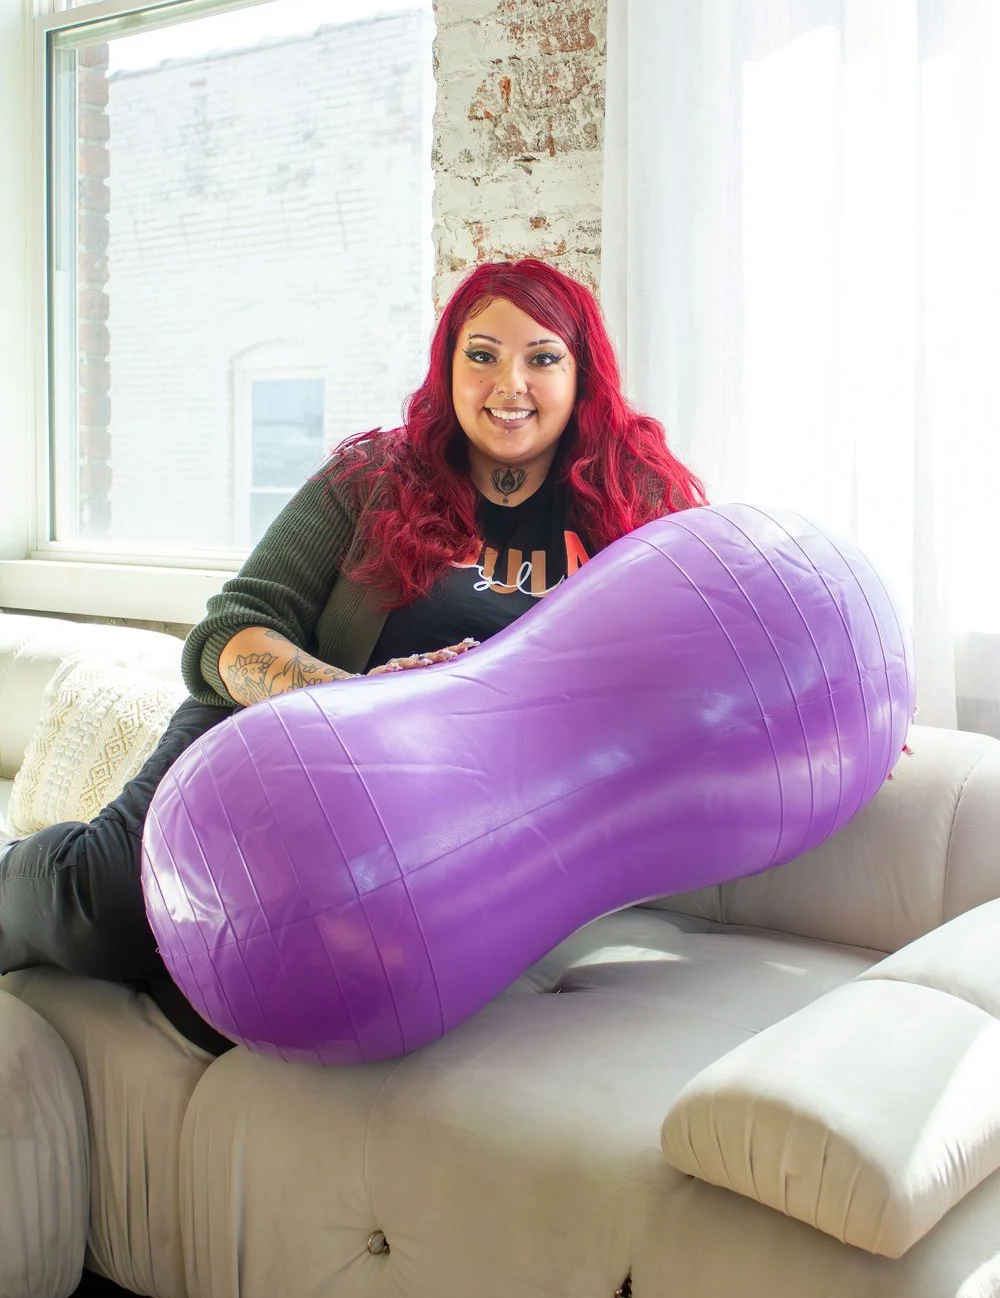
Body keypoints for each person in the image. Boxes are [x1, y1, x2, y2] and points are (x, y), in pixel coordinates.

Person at [0, 258, 706, 1052]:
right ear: (449, 369)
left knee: (216, 989)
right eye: (482, 355)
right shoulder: (376, 476)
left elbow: (722, 637)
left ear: (582, 374)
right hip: (267, 744)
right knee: (100, 914)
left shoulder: (634, 505)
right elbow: (230, 628)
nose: (510, 383)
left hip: (434, 820)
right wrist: (355, 708)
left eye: (543, 357)